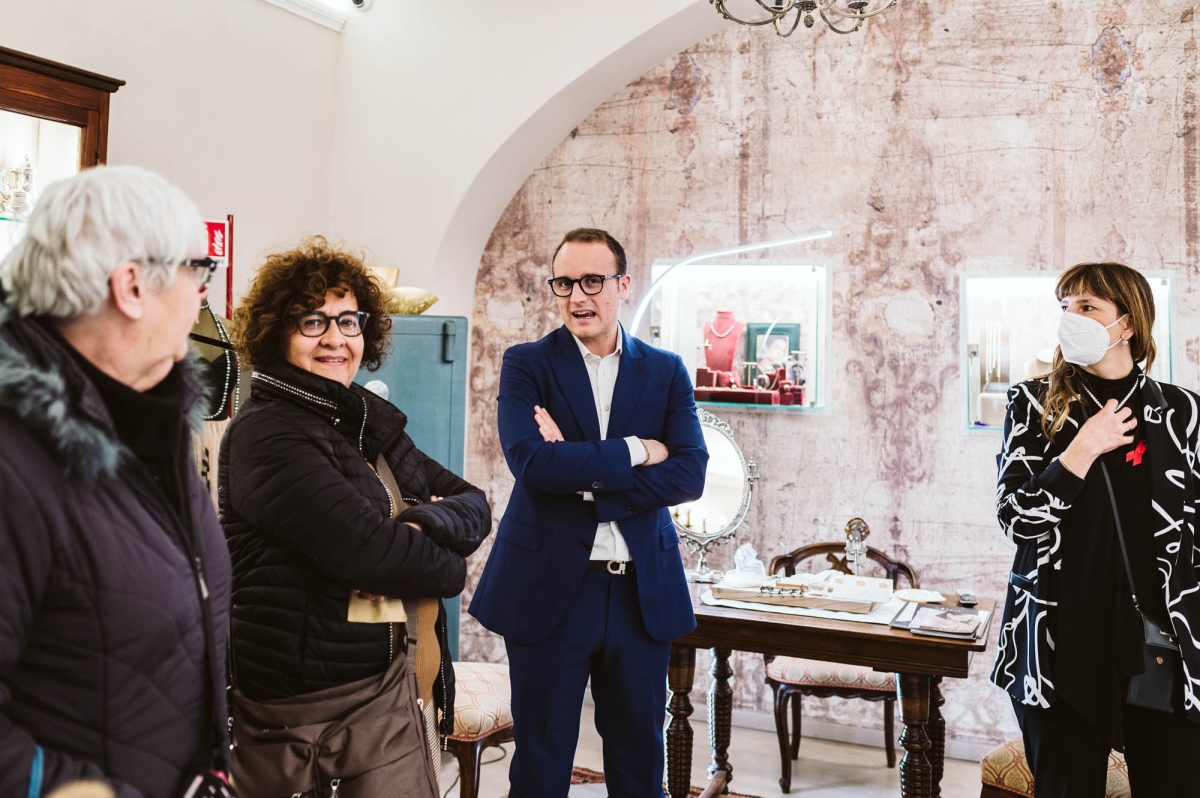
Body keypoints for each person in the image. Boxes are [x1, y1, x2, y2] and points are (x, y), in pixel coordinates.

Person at [219, 237, 491, 797]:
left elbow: (473, 501)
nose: (335, 338)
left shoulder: (364, 422)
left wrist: (418, 526)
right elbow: (371, 555)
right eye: (312, 322)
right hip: (306, 712)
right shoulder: (267, 434)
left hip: (388, 691)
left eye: (348, 321)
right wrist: (449, 567)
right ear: (276, 333)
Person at [0, 166, 233, 797]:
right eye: (197, 271)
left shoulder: (151, 420)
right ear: (131, 286)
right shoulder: (13, 457)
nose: (201, 295)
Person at [470, 227, 709, 796]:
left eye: (593, 281)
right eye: (564, 283)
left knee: (639, 766)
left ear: (623, 285)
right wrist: (637, 450)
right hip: (550, 588)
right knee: (541, 765)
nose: (577, 296)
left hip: (640, 592)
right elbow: (533, 464)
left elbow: (690, 474)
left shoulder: (666, 370)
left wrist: (581, 476)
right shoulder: (527, 364)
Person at [992, 262, 1200, 796]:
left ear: (1127, 323)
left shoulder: (1182, 411)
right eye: (1065, 306)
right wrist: (1081, 450)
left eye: (1087, 306)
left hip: (1161, 643)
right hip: (1060, 645)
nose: (1070, 317)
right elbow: (1017, 518)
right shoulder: (1033, 402)